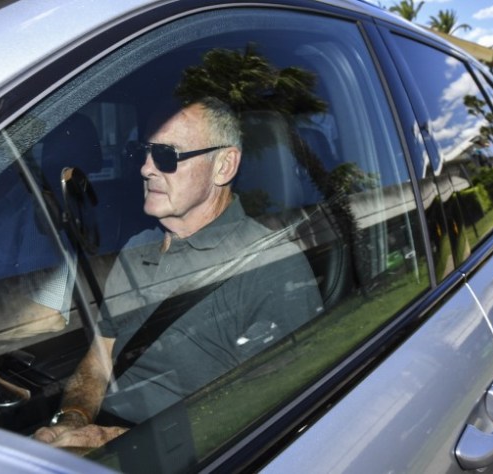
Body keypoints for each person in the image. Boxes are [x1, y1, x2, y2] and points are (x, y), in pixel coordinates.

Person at [34, 97, 323, 449]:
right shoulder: (136, 248)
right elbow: (100, 360)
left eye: (166, 155)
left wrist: (115, 442)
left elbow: (266, 413)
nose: (146, 168)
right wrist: (73, 419)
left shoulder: (271, 266)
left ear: (224, 166)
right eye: (142, 153)